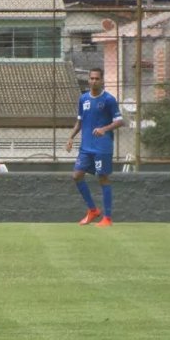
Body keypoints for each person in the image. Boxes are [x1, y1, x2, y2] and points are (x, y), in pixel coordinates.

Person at [66, 66, 123, 227]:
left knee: (103, 178)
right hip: (86, 147)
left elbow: (120, 121)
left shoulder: (109, 100)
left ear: (102, 80)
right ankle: (93, 210)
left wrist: (104, 129)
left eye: (97, 78)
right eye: (92, 78)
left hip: (102, 147)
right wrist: (70, 137)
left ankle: (108, 218)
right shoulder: (83, 99)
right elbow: (80, 122)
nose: (94, 81)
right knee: (77, 175)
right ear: (88, 79)